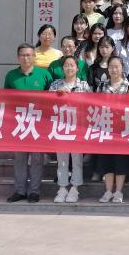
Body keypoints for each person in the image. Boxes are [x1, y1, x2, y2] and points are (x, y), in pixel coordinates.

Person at [5, 43, 53, 203]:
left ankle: (34, 191)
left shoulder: (44, 74)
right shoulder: (11, 76)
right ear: (18, 57)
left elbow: (52, 97)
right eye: (22, 55)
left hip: (38, 122)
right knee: (20, 158)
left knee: (37, 158)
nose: (26, 58)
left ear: (34, 57)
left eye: (29, 55)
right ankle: (20, 191)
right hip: (19, 122)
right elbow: (6, 98)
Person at [49, 56, 91, 203]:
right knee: (62, 160)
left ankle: (75, 188)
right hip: (60, 127)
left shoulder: (84, 85)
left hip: (78, 127)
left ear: (77, 68)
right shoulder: (55, 84)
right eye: (66, 65)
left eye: (72, 65)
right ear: (62, 68)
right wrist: (56, 94)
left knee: (77, 159)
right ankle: (62, 188)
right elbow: (46, 103)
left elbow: (90, 104)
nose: (69, 68)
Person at [95, 55, 129, 203]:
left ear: (122, 68)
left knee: (121, 160)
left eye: (117, 66)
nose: (114, 69)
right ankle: (108, 191)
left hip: (123, 129)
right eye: (111, 66)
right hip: (106, 128)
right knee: (107, 160)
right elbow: (95, 104)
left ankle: (118, 191)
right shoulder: (102, 85)